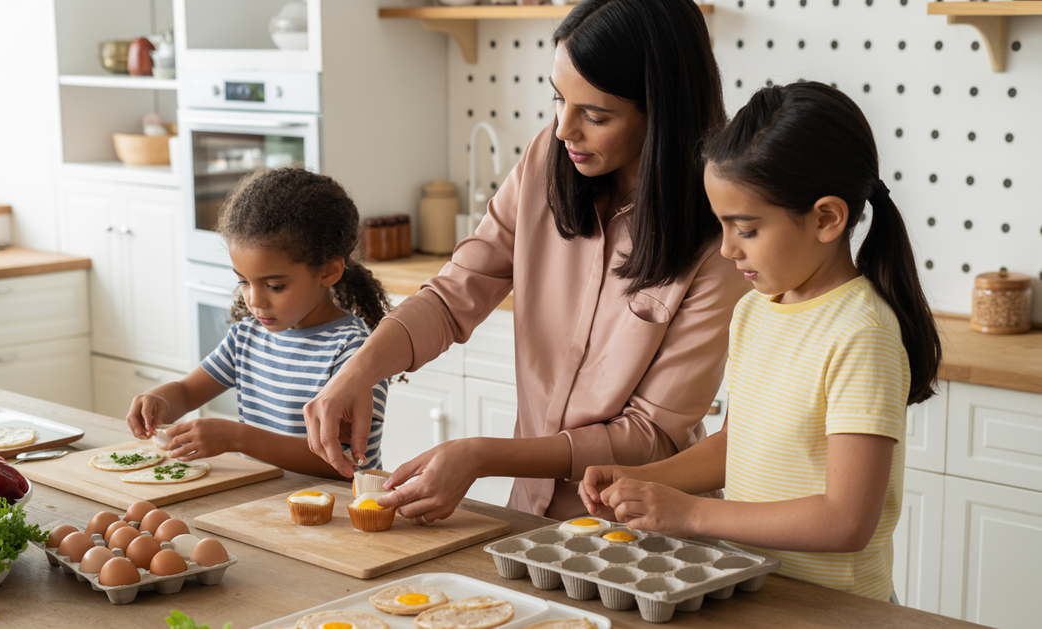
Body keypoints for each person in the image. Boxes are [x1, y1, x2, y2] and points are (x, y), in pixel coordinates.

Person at [302, 0, 748, 522]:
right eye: (559, 99)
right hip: (527, 520)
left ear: (663, 111)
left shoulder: (720, 236)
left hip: (639, 531)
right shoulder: (547, 161)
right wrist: (360, 370)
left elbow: (650, 436)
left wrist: (482, 455)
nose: (564, 129)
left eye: (596, 115)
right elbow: (452, 297)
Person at [579, 81, 943, 601]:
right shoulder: (754, 311)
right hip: (753, 591)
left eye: (745, 230)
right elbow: (736, 444)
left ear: (826, 219)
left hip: (833, 610)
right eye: (722, 226)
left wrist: (694, 513)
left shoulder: (862, 334)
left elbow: (846, 521)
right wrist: (640, 479)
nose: (727, 249)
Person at [126, 167, 392, 476]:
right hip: (261, 505)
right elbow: (187, 393)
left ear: (328, 271)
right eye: (244, 282)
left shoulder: (356, 352)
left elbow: (341, 463)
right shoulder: (246, 338)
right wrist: (157, 401)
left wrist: (237, 438)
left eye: (275, 286)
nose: (254, 300)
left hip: (340, 514)